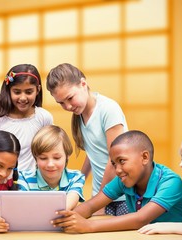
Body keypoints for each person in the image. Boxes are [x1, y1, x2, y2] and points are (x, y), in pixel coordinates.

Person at [51, 130, 182, 233]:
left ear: (145, 157)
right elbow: (91, 206)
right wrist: (64, 219)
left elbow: (140, 219)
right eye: (114, 163)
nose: (117, 170)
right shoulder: (124, 179)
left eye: (122, 161)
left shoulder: (171, 182)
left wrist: (88, 226)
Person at [46, 63, 128, 216]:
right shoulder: (80, 115)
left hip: (123, 196)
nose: (68, 106)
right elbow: (93, 153)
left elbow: (115, 159)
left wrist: (99, 203)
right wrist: (77, 182)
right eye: (61, 103)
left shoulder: (108, 109)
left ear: (83, 84)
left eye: (70, 98)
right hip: (101, 196)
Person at [0, 125, 85, 233]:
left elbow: (68, 204)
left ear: (67, 156)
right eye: (43, 158)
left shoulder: (76, 177)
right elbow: (20, 207)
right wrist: (0, 220)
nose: (50, 164)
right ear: (35, 158)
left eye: (57, 158)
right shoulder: (23, 177)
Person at [0, 64, 53, 172]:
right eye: (17, 92)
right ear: (9, 90)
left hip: (32, 182)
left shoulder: (44, 118)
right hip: (1, 179)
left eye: (29, 92)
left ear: (38, 90)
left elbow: (50, 150)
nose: (23, 98)